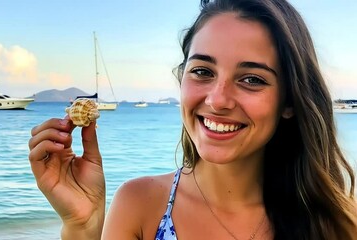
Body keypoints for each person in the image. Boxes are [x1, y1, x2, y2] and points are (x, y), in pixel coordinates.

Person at [28, 0, 357, 239]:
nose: (217, 100)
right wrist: (82, 226)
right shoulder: (140, 206)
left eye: (252, 79)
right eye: (202, 71)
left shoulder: (336, 223)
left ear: (289, 101)